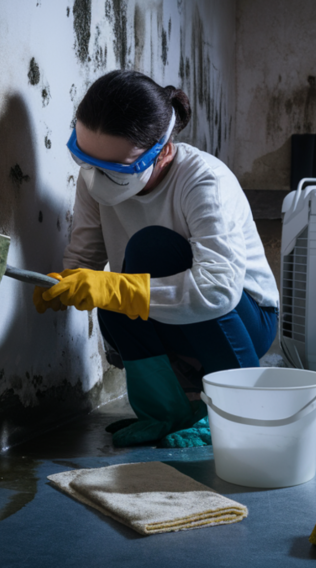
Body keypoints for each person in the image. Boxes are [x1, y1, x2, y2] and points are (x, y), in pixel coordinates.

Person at [33, 70, 279, 448]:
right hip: (176, 314)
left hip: (244, 318)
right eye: (85, 160)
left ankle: (236, 409)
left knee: (150, 252)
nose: (96, 177)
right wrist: (63, 284)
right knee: (111, 297)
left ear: (162, 151)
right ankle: (166, 411)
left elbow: (219, 290)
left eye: (115, 169)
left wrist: (117, 288)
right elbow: (85, 258)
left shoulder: (203, 182)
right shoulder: (93, 179)